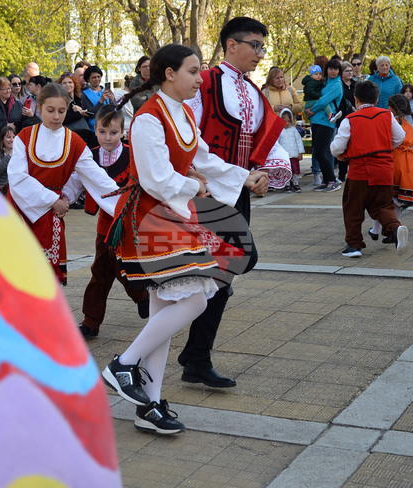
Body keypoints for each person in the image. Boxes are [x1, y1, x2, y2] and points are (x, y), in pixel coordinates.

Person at [101, 43, 267, 434]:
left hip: (173, 216)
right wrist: (195, 186)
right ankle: (122, 365)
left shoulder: (184, 112)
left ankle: (149, 406)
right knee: (194, 298)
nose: (199, 79)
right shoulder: (148, 118)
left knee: (164, 312)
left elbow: (204, 159)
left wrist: (244, 176)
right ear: (170, 74)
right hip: (152, 219)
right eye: (193, 71)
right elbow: (155, 178)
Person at [181, 16, 289, 388]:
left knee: (222, 274)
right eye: (255, 45)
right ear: (231, 44)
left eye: (262, 46)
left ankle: (195, 357)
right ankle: (188, 353)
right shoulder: (204, 83)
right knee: (232, 264)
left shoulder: (253, 91)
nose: (260, 53)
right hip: (206, 192)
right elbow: (189, 140)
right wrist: (208, 175)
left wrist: (264, 172)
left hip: (236, 192)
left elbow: (264, 139)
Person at [5, 83, 119, 285]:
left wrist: (123, 201)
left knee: (47, 275)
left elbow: (95, 176)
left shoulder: (74, 141)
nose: (56, 116)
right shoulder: (25, 137)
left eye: (61, 111)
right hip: (21, 207)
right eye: (50, 111)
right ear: (39, 108)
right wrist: (53, 200)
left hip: (51, 213)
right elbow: (17, 177)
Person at [77, 106, 150, 339]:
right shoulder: (89, 156)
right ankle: (90, 322)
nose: (107, 137)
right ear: (95, 130)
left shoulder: (133, 154)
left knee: (123, 268)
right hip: (105, 223)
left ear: (123, 132)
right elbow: (76, 180)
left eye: (113, 132)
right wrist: (63, 198)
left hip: (129, 222)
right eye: (102, 132)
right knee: (100, 271)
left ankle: (142, 295)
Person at [331, 81, 407, 258]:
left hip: (359, 172)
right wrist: (385, 148)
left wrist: (341, 154)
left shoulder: (350, 119)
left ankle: (354, 245)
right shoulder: (387, 115)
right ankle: (395, 229)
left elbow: (337, 147)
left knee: (353, 208)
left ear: (356, 99)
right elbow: (400, 137)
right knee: (383, 206)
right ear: (377, 99)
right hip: (384, 171)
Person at [369, 94, 413, 241]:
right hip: (408, 165)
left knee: (382, 200)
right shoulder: (408, 124)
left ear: (391, 108)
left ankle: (377, 230)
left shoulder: (391, 123)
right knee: (397, 202)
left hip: (395, 162)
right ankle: (391, 231)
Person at [306, 59, 343, 192]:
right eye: (330, 68)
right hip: (316, 120)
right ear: (326, 70)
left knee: (321, 152)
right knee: (317, 152)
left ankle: (332, 180)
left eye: (336, 69)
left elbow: (323, 101)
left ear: (339, 71)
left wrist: (311, 110)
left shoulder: (337, 84)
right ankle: (326, 180)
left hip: (327, 121)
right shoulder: (325, 82)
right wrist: (308, 110)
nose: (333, 71)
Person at [277, 108, 305, 192]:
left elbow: (299, 142)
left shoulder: (294, 130)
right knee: (286, 171)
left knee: (295, 171)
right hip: (284, 157)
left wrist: (300, 152)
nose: (286, 123)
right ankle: (287, 184)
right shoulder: (279, 131)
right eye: (284, 121)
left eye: (288, 121)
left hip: (294, 155)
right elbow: (277, 144)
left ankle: (296, 183)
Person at [80, 65, 115, 131]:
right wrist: (101, 101)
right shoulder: (85, 94)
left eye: (98, 77)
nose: (97, 79)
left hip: (111, 126)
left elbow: (116, 110)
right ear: (88, 79)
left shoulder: (107, 91)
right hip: (96, 129)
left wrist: (112, 102)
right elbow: (91, 114)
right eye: (94, 77)